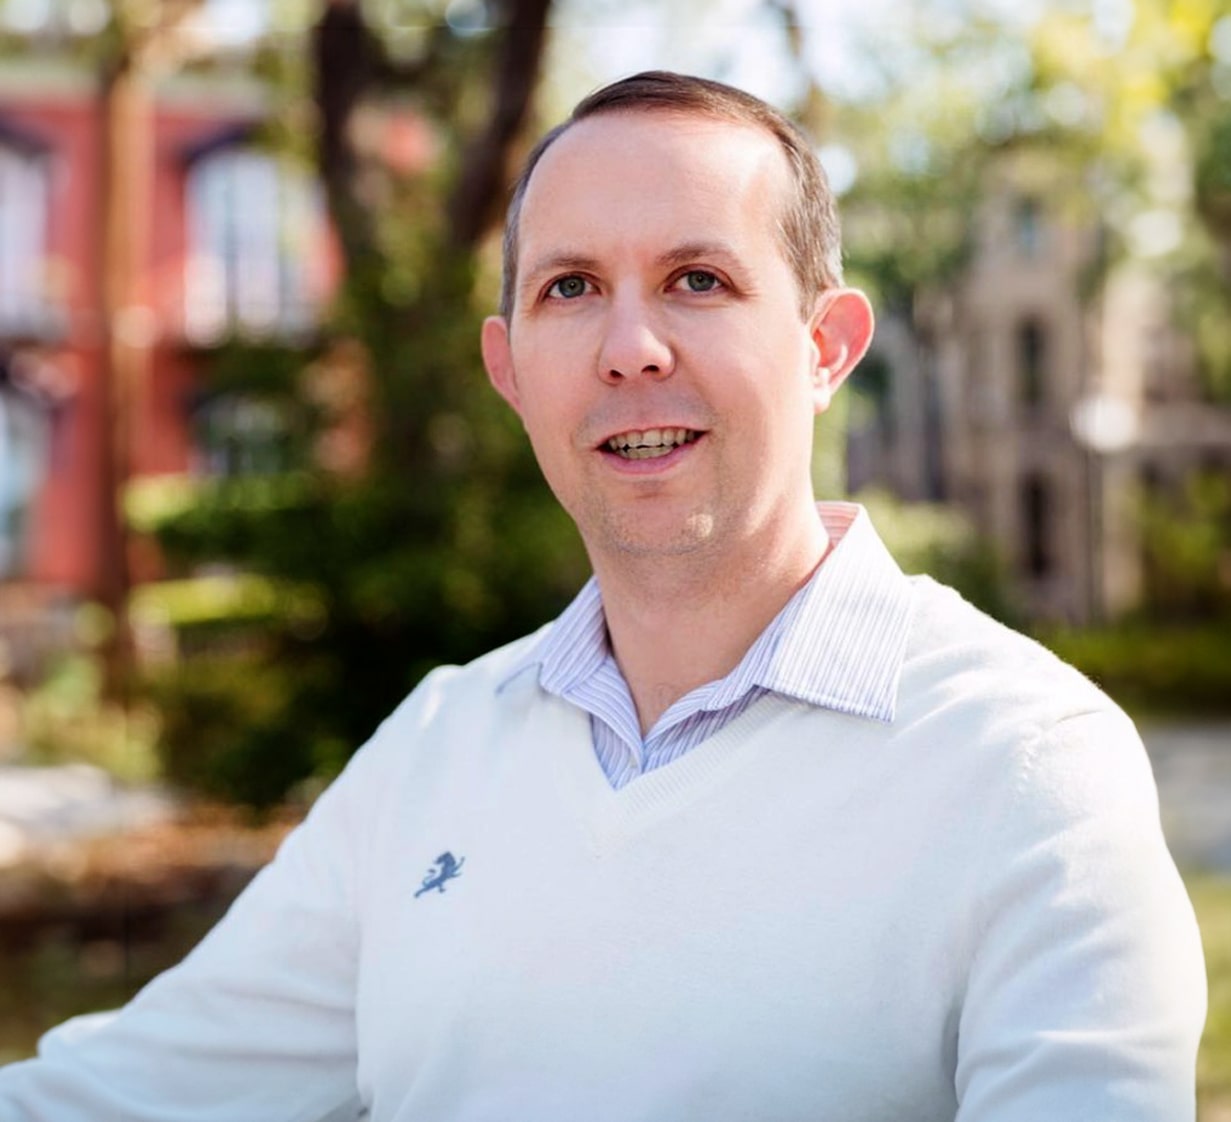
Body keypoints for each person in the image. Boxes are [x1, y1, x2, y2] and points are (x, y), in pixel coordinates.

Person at [0, 70, 1206, 1122]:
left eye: (696, 279)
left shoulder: (1024, 765)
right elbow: (126, 1097)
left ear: (826, 346)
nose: (630, 347)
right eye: (570, 289)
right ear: (509, 368)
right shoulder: (434, 747)